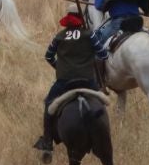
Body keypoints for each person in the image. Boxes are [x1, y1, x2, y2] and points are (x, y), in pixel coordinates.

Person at [33, 9, 103, 152]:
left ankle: (47, 142)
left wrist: (59, 68)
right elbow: (103, 54)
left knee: (48, 104)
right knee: (101, 103)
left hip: (64, 81)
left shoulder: (59, 36)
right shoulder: (90, 35)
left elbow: (48, 56)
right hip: (88, 80)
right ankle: (101, 135)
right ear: (81, 19)